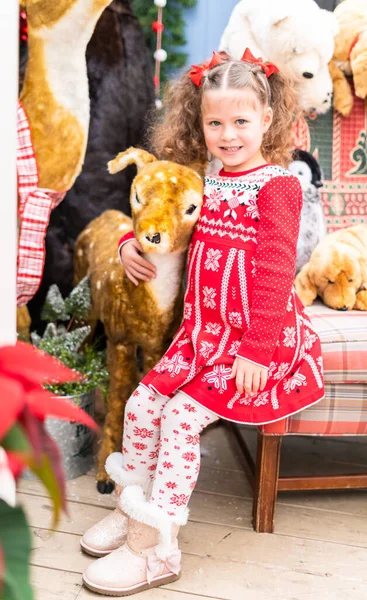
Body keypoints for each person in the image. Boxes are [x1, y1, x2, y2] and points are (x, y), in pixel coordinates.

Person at [81, 49, 325, 596]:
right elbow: (155, 219)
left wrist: (258, 349)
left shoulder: (277, 187)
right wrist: (125, 244)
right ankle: (133, 510)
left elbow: (273, 270)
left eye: (241, 121)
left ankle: (155, 548)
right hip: (201, 338)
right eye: (216, 122)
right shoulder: (200, 183)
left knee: (181, 418)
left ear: (267, 119)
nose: (228, 134)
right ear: (200, 123)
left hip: (255, 343)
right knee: (144, 403)